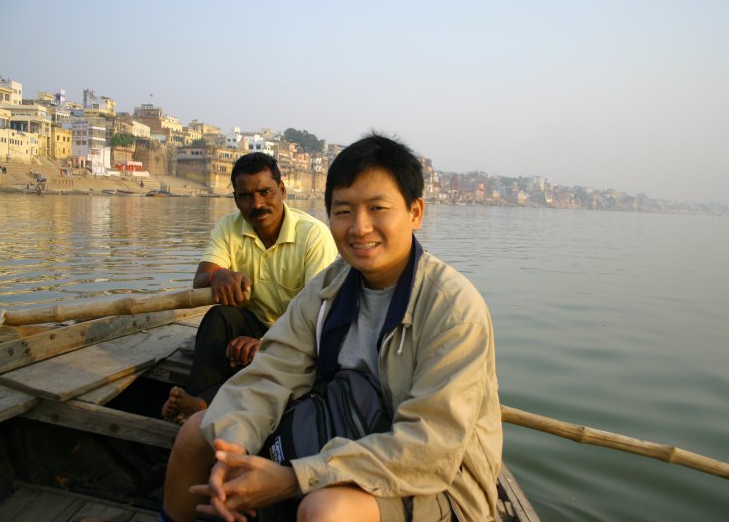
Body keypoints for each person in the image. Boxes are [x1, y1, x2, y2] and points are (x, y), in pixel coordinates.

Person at [160, 135, 502, 521]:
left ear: (415, 212)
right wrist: (234, 448)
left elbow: (430, 449)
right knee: (197, 435)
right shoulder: (328, 288)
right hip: (339, 423)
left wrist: (294, 479)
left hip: (435, 480)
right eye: (343, 212)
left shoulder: (454, 310)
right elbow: (272, 372)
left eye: (377, 208)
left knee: (326, 509)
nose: (359, 227)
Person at [161, 152, 337, 423]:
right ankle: (196, 404)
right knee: (219, 317)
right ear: (236, 199)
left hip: (299, 335)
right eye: (245, 196)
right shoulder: (229, 227)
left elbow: (317, 316)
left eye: (265, 192)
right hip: (254, 324)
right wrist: (218, 275)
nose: (257, 204)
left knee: (286, 363)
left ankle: (200, 405)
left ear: (282, 190)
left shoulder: (313, 235)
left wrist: (267, 344)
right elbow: (200, 279)